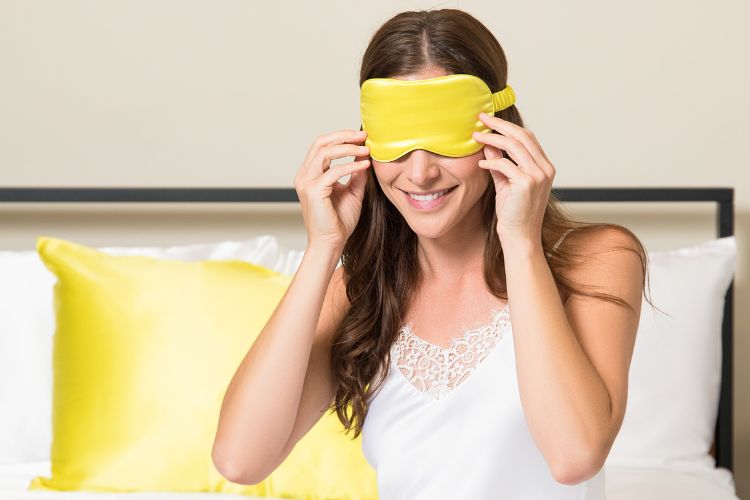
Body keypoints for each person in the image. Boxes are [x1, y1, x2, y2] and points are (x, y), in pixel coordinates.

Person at [212, 8, 654, 499]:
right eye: (398, 142)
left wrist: (521, 241)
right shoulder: (362, 291)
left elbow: (574, 457)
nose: (420, 173)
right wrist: (323, 249)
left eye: (444, 140)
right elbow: (240, 460)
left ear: (499, 132)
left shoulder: (599, 258)